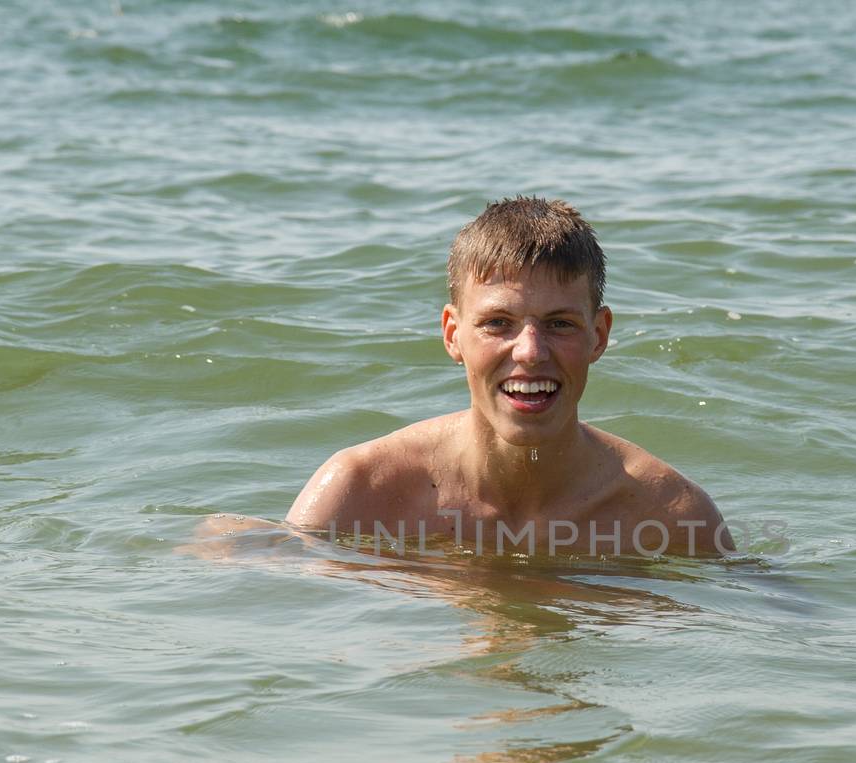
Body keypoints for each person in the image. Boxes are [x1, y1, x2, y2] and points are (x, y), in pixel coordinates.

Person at [284, 196, 728, 558]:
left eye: (559, 324)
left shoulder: (669, 518)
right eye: (498, 323)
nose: (531, 352)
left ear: (599, 335)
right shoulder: (362, 491)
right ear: (453, 335)